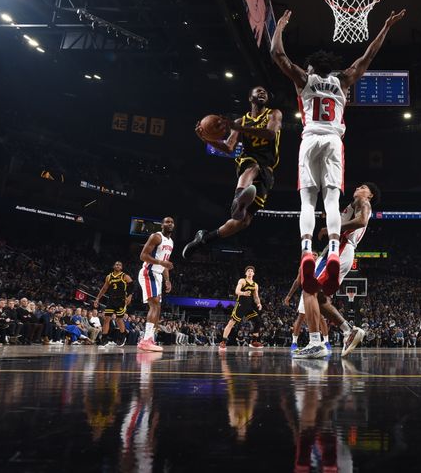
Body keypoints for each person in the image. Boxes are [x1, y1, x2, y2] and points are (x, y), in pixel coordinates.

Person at [270, 8, 405, 295]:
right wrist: (385, 27)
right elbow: (367, 56)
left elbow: (277, 55)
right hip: (333, 141)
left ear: (310, 68)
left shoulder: (304, 80)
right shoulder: (343, 81)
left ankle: (307, 251)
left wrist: (279, 28)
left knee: (308, 202)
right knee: (332, 202)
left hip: (310, 139)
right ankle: (333, 251)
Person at [183, 86, 283, 259]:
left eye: (265, 92)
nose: (262, 93)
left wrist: (238, 127)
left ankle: (204, 239)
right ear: (250, 97)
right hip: (248, 160)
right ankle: (238, 198)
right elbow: (229, 148)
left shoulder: (274, 114)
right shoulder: (241, 121)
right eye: (258, 91)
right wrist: (206, 139)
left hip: (268, 169)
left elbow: (270, 134)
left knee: (243, 222)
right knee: (253, 166)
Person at [293, 183, 377, 359]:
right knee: (321, 298)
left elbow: (362, 221)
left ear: (369, 196)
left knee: (309, 288)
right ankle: (348, 330)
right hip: (341, 250)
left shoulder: (363, 202)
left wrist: (334, 229)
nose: (358, 188)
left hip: (341, 248)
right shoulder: (353, 205)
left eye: (363, 187)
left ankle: (316, 343)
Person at [137, 217, 175, 352]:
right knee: (154, 305)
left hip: (158, 275)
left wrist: (167, 280)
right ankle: (146, 340)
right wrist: (160, 263)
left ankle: (150, 338)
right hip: (149, 272)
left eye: (172, 222)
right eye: (167, 222)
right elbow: (143, 256)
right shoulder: (156, 237)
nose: (170, 224)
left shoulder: (171, 242)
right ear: (162, 225)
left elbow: (165, 263)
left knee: (157, 308)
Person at [284, 252, 331, 353]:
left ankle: (326, 342)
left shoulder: (323, 266)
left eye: (315, 255)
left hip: (319, 293)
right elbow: (297, 281)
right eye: (312, 254)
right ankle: (294, 342)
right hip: (307, 292)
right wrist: (288, 296)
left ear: (318, 257)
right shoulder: (303, 267)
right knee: (301, 317)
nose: (313, 256)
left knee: (321, 318)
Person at [219, 266, 264, 351]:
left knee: (258, 321)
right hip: (240, 305)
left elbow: (256, 296)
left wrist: (259, 303)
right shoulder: (242, 281)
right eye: (248, 271)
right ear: (246, 273)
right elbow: (237, 291)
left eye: (251, 271)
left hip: (249, 307)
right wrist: (244, 293)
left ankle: (254, 342)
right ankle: (223, 342)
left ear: (253, 273)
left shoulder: (255, 285)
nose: (250, 272)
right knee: (231, 323)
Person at [95, 261, 133, 345]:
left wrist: (130, 296)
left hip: (121, 300)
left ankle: (123, 335)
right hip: (111, 300)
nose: (118, 266)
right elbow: (104, 289)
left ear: (121, 267)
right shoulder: (109, 277)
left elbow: (132, 286)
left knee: (119, 319)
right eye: (116, 264)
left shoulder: (124, 276)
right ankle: (104, 337)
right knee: (106, 319)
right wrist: (97, 298)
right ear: (113, 266)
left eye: (119, 265)